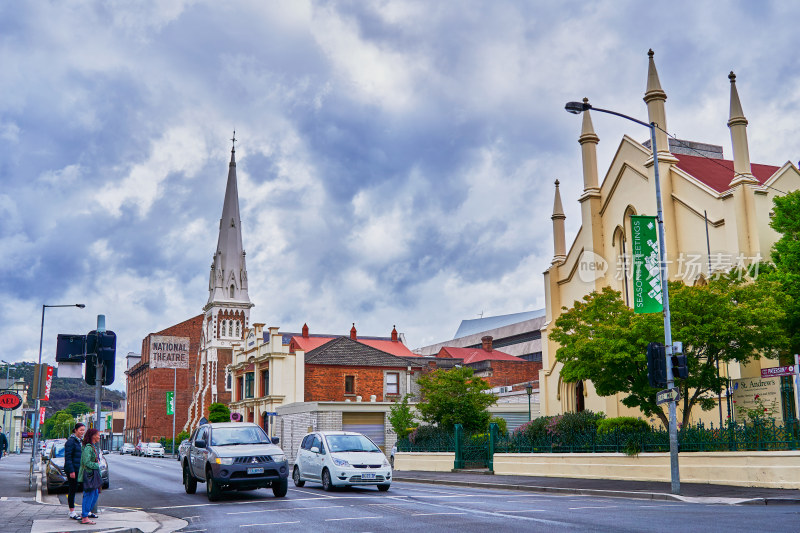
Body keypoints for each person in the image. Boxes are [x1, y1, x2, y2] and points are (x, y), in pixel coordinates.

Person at [78, 428, 101, 525]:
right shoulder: (88, 447)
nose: (99, 436)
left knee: (94, 494)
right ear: (93, 436)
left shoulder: (92, 446)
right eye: (97, 435)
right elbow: (86, 462)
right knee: (89, 495)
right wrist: (97, 464)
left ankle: (85, 514)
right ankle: (84, 517)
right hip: (89, 475)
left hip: (92, 475)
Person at [64, 423, 85, 520]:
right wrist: (71, 471)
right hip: (73, 470)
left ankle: (85, 511)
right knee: (72, 489)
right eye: (80, 430)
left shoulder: (80, 441)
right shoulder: (71, 442)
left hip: (79, 469)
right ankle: (72, 511)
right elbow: (68, 458)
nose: (82, 432)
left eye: (83, 430)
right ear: (75, 430)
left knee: (82, 488)